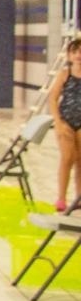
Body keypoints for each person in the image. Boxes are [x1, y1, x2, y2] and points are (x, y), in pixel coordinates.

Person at [52, 38, 81, 210]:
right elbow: (53, 98)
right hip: (66, 121)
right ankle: (61, 198)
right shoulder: (65, 74)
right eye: (75, 52)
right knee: (67, 158)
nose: (79, 55)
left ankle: (78, 198)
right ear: (69, 55)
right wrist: (57, 121)